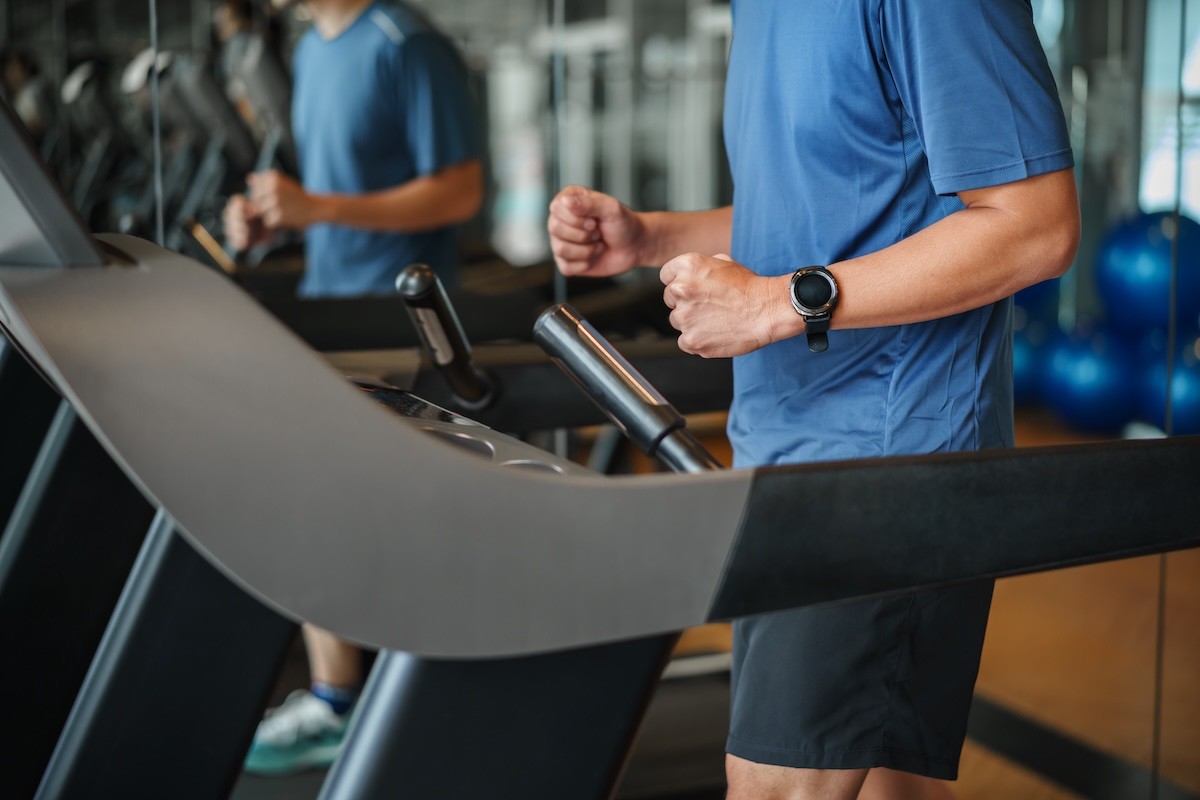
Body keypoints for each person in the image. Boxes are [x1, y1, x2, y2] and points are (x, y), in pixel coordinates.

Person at [547, 2, 1079, 799]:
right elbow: (826, 202)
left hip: (883, 461)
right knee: (889, 784)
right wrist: (654, 237)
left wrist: (775, 303)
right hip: (786, 450)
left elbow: (1035, 225)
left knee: (773, 782)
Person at [223, 0, 482, 775]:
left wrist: (320, 206)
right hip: (330, 303)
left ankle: (361, 697)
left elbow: (460, 192)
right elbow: (337, 193)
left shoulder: (406, 44)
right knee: (307, 499)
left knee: (319, 497)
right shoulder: (312, 49)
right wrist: (282, 221)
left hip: (395, 317)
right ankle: (342, 695)